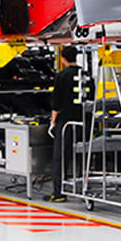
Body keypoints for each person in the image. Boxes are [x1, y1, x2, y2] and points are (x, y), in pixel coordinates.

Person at [48, 46, 82, 203]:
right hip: (83, 121)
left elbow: (57, 102)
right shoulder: (86, 74)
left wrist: (53, 121)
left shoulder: (62, 75)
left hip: (66, 122)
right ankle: (82, 190)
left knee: (60, 157)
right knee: (81, 155)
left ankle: (58, 193)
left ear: (62, 58)